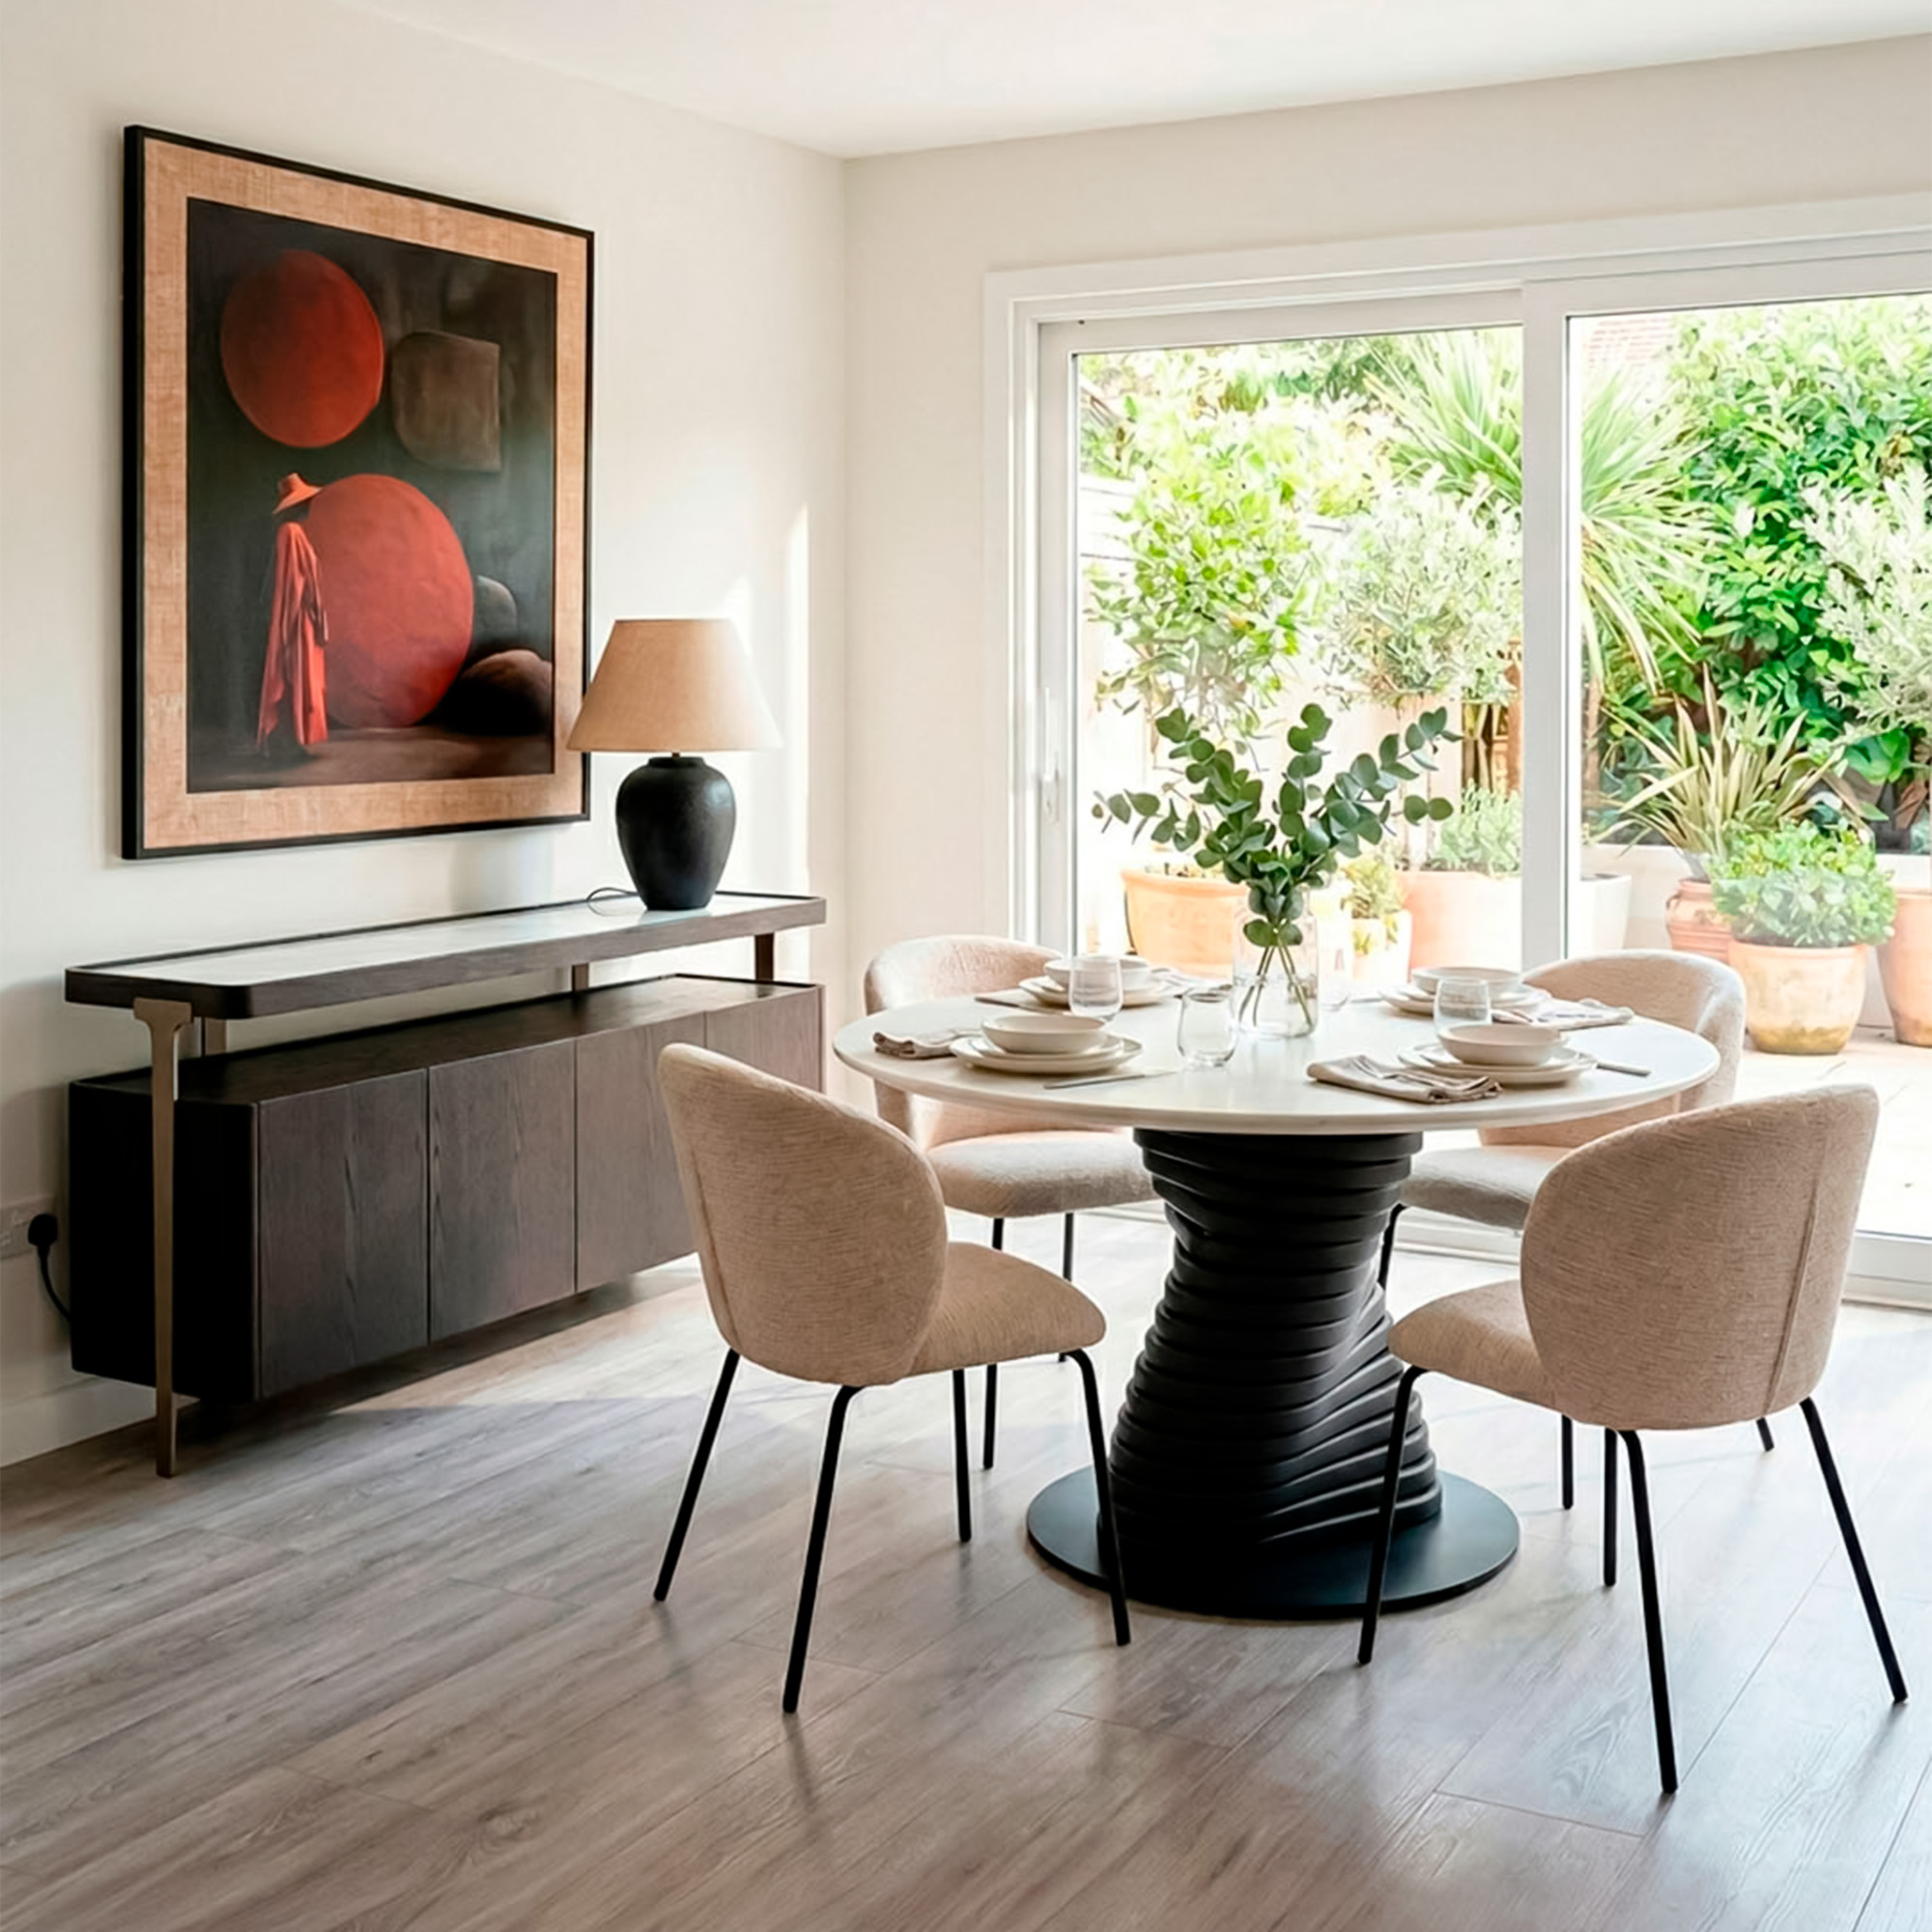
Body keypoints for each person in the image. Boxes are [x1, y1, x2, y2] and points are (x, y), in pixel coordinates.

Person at [256, 472, 328, 753]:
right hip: (298, 618)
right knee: (294, 674)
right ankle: (288, 739)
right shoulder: (291, 532)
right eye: (306, 501)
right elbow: (295, 581)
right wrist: (306, 613)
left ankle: (292, 738)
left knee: (297, 675)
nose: (310, 505)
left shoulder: (291, 532)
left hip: (299, 616)